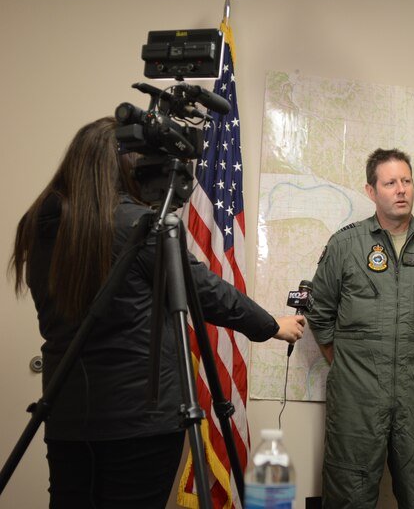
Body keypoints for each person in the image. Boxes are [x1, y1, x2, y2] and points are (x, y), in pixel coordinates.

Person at [9, 117, 305, 508]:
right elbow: (206, 291)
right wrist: (270, 326)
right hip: (139, 420)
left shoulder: (38, 224)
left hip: (66, 414)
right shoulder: (138, 225)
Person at [305, 148, 414, 508]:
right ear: (371, 190)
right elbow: (320, 314)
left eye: (406, 181)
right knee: (349, 494)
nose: (401, 190)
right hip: (356, 399)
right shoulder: (345, 245)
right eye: (390, 182)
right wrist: (348, 364)